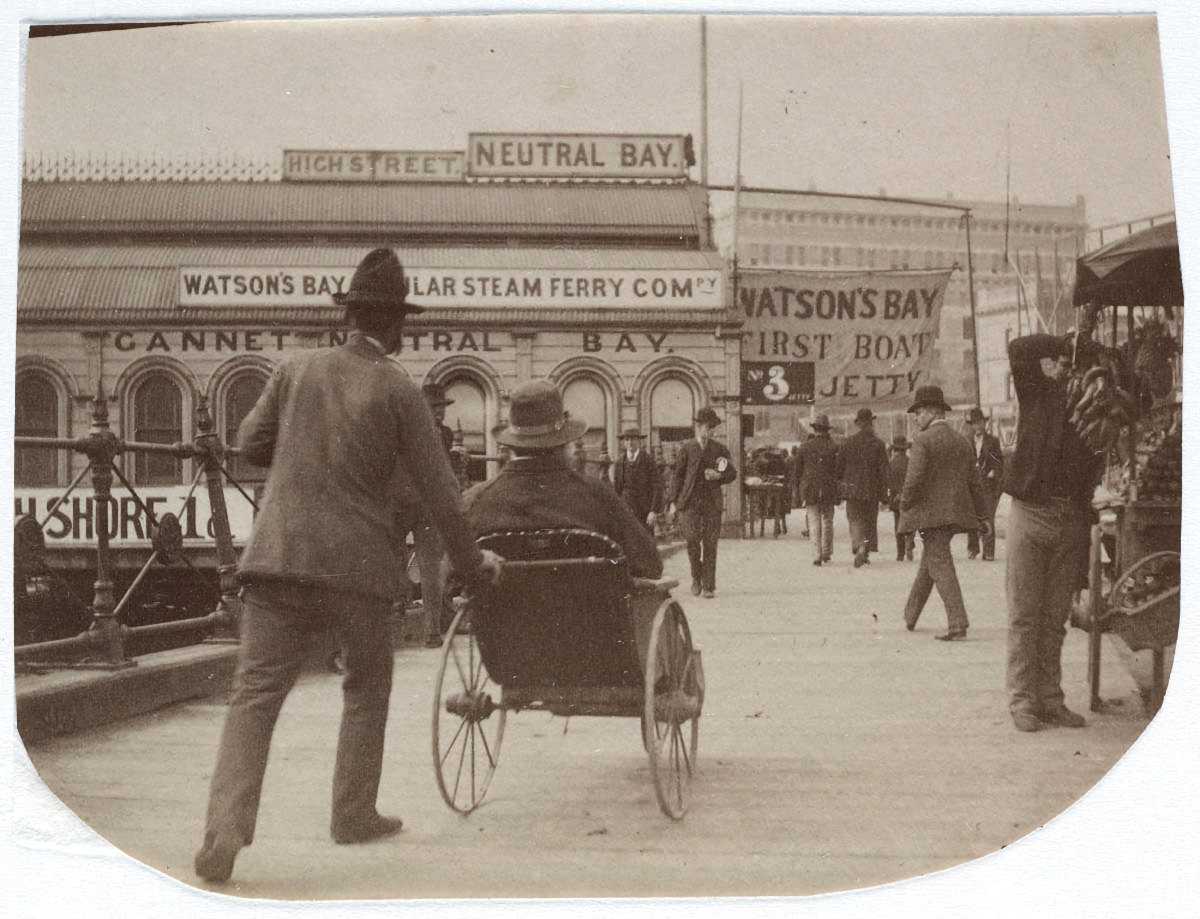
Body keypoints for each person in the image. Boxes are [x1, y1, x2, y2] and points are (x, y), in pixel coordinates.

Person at [193, 249, 501, 885]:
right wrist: (472, 568)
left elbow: (249, 447)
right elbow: (443, 496)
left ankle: (225, 831)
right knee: (365, 688)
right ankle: (352, 813)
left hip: (276, 560)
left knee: (253, 698)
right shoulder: (399, 390)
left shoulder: (293, 369)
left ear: (348, 315)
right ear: (394, 327)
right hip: (360, 573)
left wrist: (301, 455)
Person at [1003, 332, 1104, 733]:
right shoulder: (1036, 394)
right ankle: (1022, 701)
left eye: (1071, 364)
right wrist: (1066, 339)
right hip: (1030, 514)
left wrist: (1090, 352)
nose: (1064, 369)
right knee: (1024, 616)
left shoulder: (1095, 406)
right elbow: (1019, 350)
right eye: (1059, 362)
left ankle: (1049, 699)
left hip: (1071, 519)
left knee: (1054, 619)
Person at [899, 385, 990, 641]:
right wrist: (983, 518)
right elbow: (975, 483)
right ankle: (910, 615)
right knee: (931, 562)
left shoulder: (923, 440)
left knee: (940, 564)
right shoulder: (962, 440)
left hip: (931, 516)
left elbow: (914, 480)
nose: (916, 418)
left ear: (931, 411)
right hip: (956, 516)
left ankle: (957, 622)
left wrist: (905, 504)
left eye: (918, 413)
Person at [666, 406, 737, 598]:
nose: (711, 431)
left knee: (710, 543)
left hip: (711, 503)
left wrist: (718, 475)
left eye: (713, 428)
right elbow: (678, 477)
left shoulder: (719, 450)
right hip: (689, 503)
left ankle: (708, 586)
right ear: (698, 427)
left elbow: (731, 473)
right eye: (708, 427)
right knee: (691, 541)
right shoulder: (687, 449)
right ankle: (696, 578)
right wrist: (673, 501)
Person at [416, 382, 457, 648]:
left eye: (441, 407)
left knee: (430, 567)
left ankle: (432, 630)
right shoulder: (440, 434)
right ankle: (432, 628)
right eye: (434, 408)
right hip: (422, 503)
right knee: (429, 566)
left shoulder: (443, 433)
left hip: (417, 505)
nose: (439, 412)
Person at [836, 407, 890, 567]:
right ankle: (864, 550)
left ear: (858, 424)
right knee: (869, 520)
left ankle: (860, 547)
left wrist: (840, 482)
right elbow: (884, 470)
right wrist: (885, 493)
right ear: (871, 423)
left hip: (852, 488)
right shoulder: (878, 443)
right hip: (872, 489)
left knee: (854, 518)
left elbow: (839, 466)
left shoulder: (848, 442)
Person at [794, 414, 839, 566]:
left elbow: (797, 471)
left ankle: (816, 553)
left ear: (814, 429)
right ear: (827, 430)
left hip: (810, 488)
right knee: (827, 520)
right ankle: (827, 551)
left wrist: (797, 488)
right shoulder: (833, 447)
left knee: (813, 521)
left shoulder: (805, 446)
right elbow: (837, 470)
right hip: (828, 488)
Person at [964, 407, 1005, 561]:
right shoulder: (967, 441)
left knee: (988, 516)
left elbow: (998, 461)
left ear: (984, 423)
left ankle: (988, 551)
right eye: (975, 423)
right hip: (972, 484)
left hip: (987, 484)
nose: (978, 426)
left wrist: (994, 472)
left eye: (980, 423)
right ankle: (973, 548)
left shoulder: (992, 441)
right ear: (972, 425)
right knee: (972, 515)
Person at [613, 427, 663, 532]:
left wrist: (653, 511)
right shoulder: (619, 462)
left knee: (646, 543)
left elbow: (657, 486)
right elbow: (617, 489)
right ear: (624, 442)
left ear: (638, 441)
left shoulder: (648, 460)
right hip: (626, 511)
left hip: (645, 512)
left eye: (633, 439)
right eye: (627, 440)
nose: (630, 442)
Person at [887, 434, 915, 562]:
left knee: (898, 524)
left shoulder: (891, 463)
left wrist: (894, 494)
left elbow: (889, 481)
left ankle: (900, 552)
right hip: (909, 497)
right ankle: (910, 544)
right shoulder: (910, 462)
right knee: (909, 522)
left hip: (896, 498)